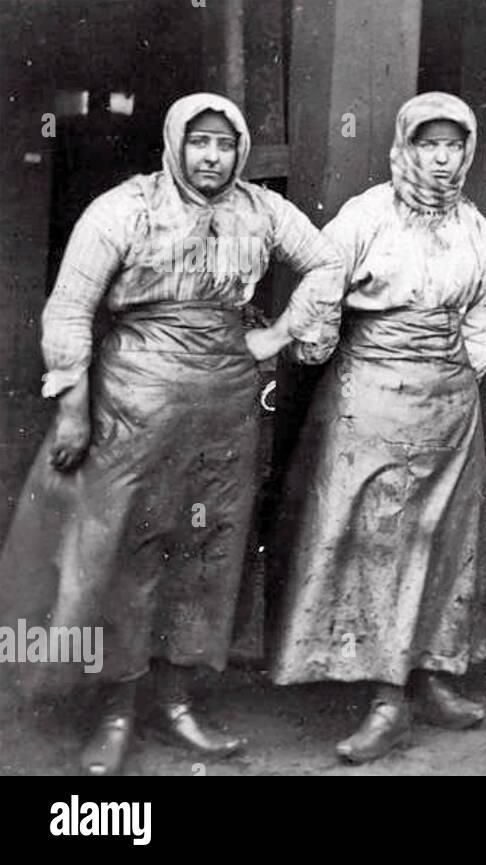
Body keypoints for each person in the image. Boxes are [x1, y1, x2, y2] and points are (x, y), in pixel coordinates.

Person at [0, 93, 342, 775]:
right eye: (199, 143)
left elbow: (328, 264)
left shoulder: (262, 211)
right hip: (134, 404)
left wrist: (274, 336)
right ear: (175, 143)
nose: (211, 157)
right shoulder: (125, 209)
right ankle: (117, 709)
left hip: (226, 406)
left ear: (239, 149)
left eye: (224, 144)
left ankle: (177, 701)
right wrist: (72, 406)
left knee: (207, 550)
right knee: (125, 548)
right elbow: (69, 308)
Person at [270, 93, 486, 764]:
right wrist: (322, 352)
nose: (441, 158)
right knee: (379, 540)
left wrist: (453, 370)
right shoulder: (366, 216)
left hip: (450, 403)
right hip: (370, 399)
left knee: (447, 539)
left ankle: (430, 671)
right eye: (428, 144)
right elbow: (319, 291)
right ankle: (384, 696)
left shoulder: (475, 229)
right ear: (405, 147)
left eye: (454, 146)